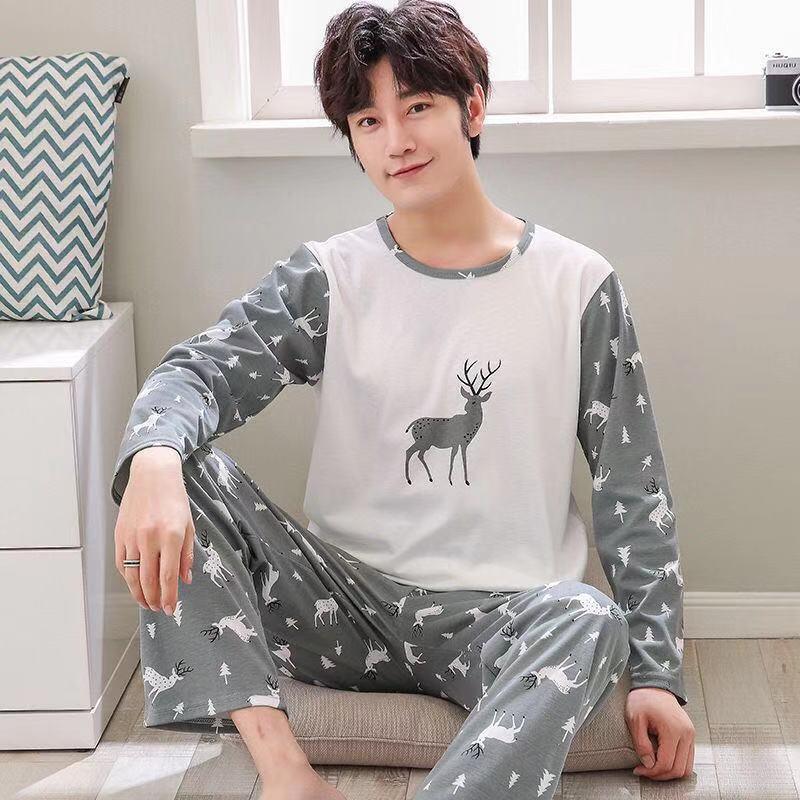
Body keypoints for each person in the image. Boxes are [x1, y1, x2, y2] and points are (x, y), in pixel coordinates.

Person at [111, 2, 695, 798]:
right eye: (368, 119)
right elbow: (195, 373)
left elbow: (633, 488)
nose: (397, 140)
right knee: (183, 465)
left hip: (507, 615)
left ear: (474, 106)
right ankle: (288, 776)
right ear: (352, 140)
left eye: (417, 106)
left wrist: (658, 673)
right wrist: (153, 460)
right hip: (339, 605)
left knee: (590, 621)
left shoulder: (579, 285)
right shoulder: (328, 276)